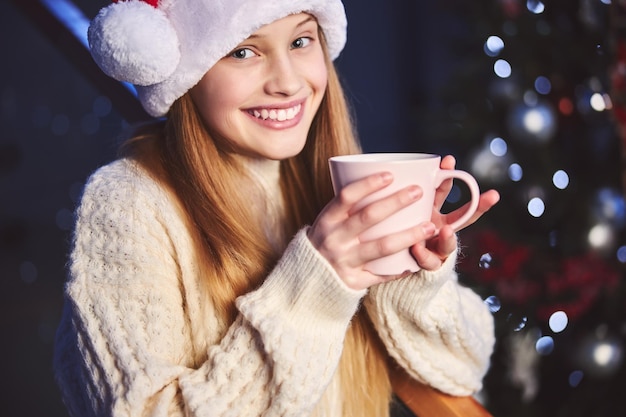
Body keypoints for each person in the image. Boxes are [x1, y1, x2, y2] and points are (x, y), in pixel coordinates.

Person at [53, 0, 501, 416]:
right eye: (244, 52)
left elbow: (464, 369)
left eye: (300, 41)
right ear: (189, 73)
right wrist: (317, 283)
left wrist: (406, 275)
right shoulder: (129, 202)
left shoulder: (327, 184)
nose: (287, 82)